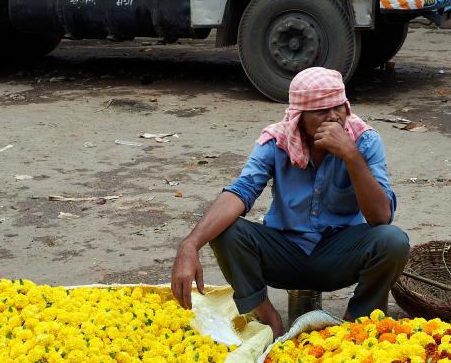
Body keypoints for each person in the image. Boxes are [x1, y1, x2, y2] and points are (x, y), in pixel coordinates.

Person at [170, 67, 409, 338]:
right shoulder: (276, 142)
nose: (333, 117)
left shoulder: (364, 141)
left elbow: (381, 217)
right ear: (299, 118)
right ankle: (265, 315)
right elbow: (241, 191)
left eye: (339, 107)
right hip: (284, 251)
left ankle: (356, 322)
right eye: (321, 110)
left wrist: (350, 155)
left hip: (341, 254)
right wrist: (189, 245)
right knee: (225, 229)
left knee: (392, 240)